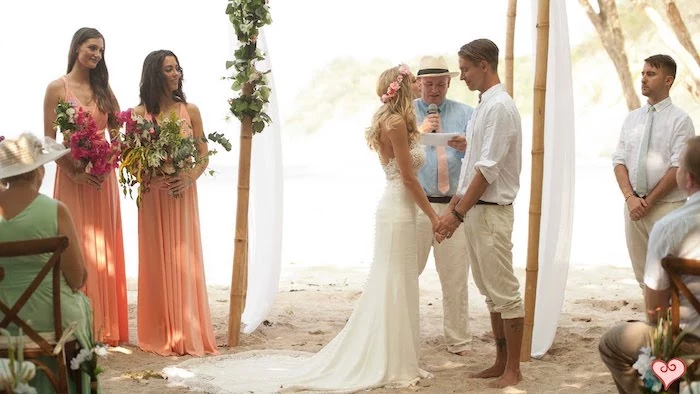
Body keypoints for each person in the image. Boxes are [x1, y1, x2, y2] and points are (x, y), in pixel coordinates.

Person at [163, 64, 441, 393]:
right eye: (412, 84)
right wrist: (435, 217)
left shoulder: (393, 121)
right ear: (403, 89)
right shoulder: (394, 123)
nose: (418, 89)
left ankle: (400, 357)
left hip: (399, 209)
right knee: (392, 281)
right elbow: (408, 178)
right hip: (397, 210)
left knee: (399, 280)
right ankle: (390, 359)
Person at [436, 39, 524, 388]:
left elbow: (488, 170)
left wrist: (455, 215)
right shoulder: (485, 106)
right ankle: (500, 361)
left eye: (465, 69)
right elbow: (475, 162)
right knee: (488, 290)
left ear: (484, 65)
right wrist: (457, 210)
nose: (461, 76)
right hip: (476, 212)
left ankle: (514, 368)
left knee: (504, 291)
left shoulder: (500, 107)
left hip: (491, 213)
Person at [43, 27, 128, 346]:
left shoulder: (104, 88)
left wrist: (110, 160)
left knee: (103, 250)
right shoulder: (57, 88)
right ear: (77, 47)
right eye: (92, 48)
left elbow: (118, 130)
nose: (97, 54)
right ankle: (76, 326)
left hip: (102, 183)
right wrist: (74, 172)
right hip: (72, 179)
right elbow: (50, 141)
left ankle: (105, 328)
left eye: (101, 51)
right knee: (76, 246)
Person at [600, 136, 700, 394]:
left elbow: (654, 311)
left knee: (612, 343)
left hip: (691, 341)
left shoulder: (669, 227)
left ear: (687, 179)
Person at [133, 50, 217, 356]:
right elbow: (130, 159)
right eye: (169, 69)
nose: (176, 74)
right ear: (155, 74)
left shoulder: (190, 110)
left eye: (177, 69)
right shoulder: (138, 115)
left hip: (181, 193)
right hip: (153, 194)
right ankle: (159, 331)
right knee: (155, 260)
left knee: (185, 261)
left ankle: (186, 330)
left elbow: (203, 154)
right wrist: (147, 168)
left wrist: (189, 176)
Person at [0, 133, 94, 393]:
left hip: (1, 325)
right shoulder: (55, 210)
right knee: (83, 304)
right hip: (51, 322)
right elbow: (77, 279)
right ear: (38, 171)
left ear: (6, 175)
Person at [612, 54, 695, 288]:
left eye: (651, 74)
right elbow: (618, 159)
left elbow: (678, 166)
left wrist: (647, 202)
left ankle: (672, 325)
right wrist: (630, 198)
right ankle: (654, 323)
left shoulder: (681, 120)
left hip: (666, 208)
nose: (643, 79)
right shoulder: (632, 119)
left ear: (668, 80)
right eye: (643, 73)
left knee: (668, 276)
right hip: (633, 209)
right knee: (642, 277)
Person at [413, 55, 474, 356]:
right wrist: (420, 131)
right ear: (418, 84)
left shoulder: (466, 113)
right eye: (428, 84)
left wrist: (466, 149)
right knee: (408, 272)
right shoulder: (407, 114)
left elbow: (478, 161)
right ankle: (406, 336)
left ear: (449, 83)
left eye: (440, 83)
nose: (434, 90)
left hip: (454, 206)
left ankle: (459, 340)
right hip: (417, 205)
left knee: (455, 276)